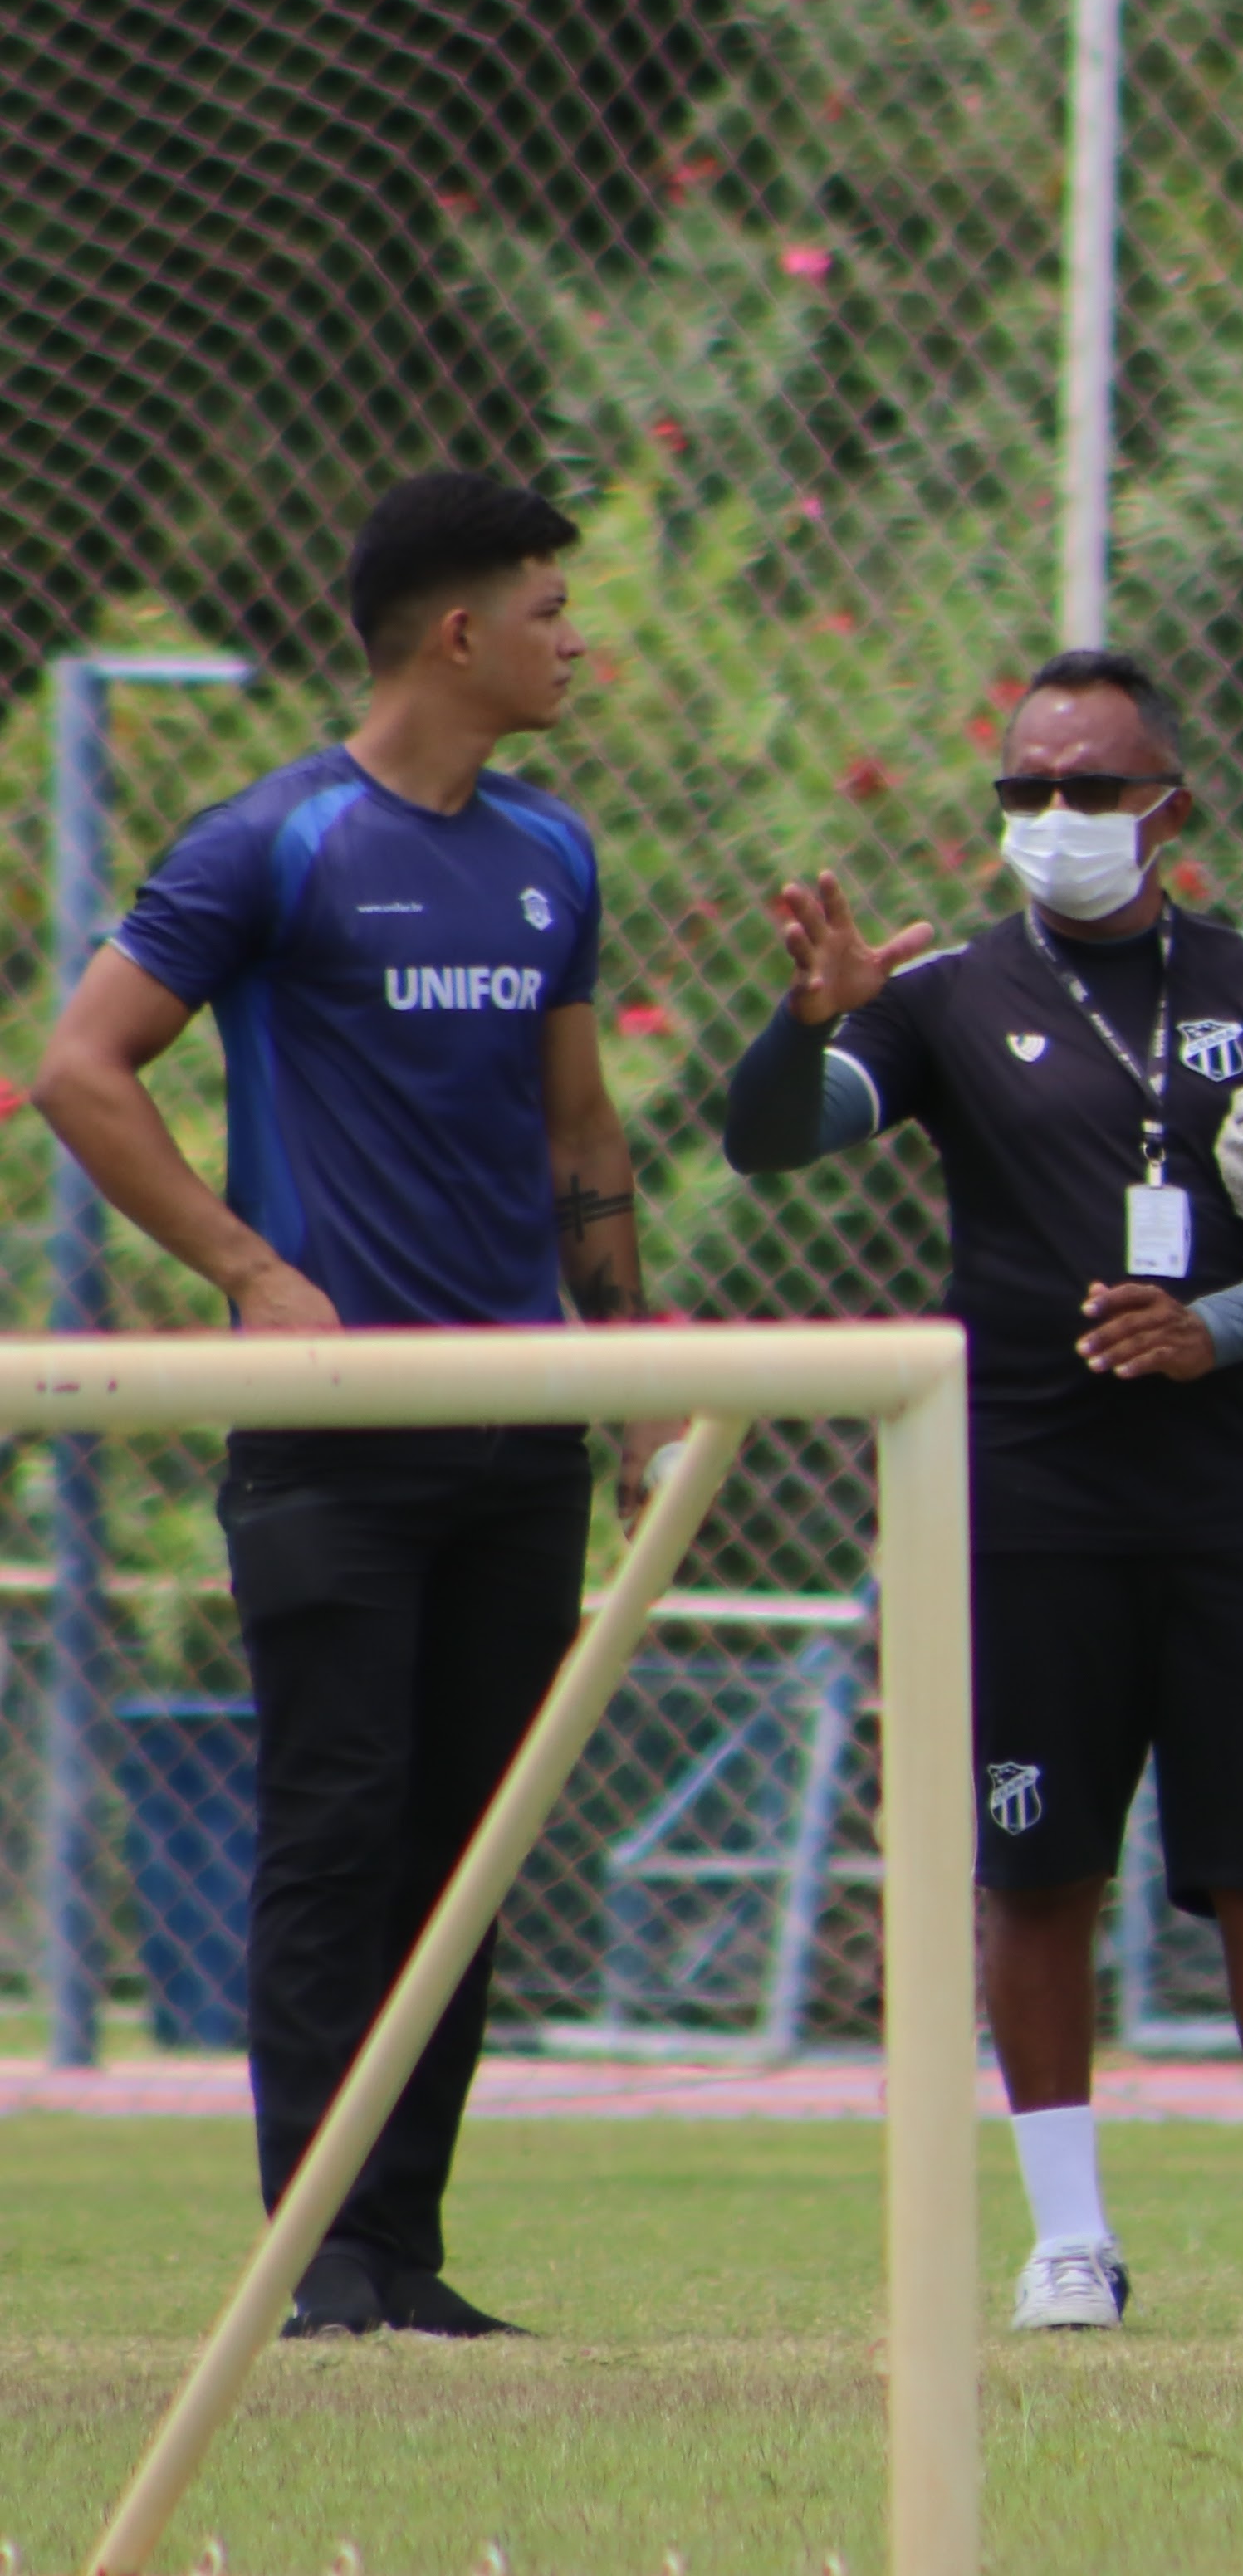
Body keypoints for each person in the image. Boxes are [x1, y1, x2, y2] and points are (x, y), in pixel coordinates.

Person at [717, 649, 1243, 2335]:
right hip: (1024, 1499)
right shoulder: (947, 996)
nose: (1056, 817)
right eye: (1027, 789)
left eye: (1094, 788)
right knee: (1034, 1870)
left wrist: (1219, 1326)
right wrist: (806, 1016)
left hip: (1240, 1498)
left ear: (1168, 807)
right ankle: (1067, 2240)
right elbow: (774, 1139)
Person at [33, 469, 682, 2340]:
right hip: (331, 1437)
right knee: (337, 1823)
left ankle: (405, 2248)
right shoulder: (273, 840)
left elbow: (580, 1130)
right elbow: (85, 1071)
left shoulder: (551, 849)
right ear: (459, 635)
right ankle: (313, 2257)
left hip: (518, 1433)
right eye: (552, 610)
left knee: (467, 1840)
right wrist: (246, 1269)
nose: (579, 640)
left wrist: (637, 1388)